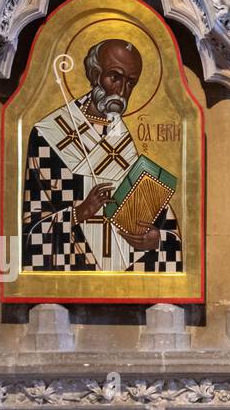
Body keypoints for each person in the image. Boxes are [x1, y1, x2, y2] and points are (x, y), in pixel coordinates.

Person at [23, 39, 182, 272]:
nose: (121, 91)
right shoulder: (48, 135)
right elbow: (31, 231)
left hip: (128, 274)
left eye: (131, 83)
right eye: (115, 77)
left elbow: (161, 222)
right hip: (72, 267)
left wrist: (157, 239)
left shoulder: (122, 137)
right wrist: (79, 213)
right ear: (95, 74)